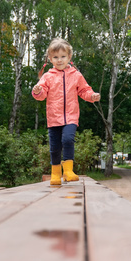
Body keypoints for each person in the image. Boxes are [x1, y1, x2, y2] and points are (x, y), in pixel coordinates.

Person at [32, 38, 100, 186]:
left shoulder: (76, 75)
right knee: (55, 147)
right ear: (50, 59)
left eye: (63, 56)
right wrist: (38, 91)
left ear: (69, 57)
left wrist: (92, 96)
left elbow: (84, 90)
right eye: (55, 57)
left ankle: (68, 171)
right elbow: (42, 95)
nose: (59, 60)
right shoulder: (48, 76)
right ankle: (55, 174)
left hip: (71, 116)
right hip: (53, 117)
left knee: (68, 140)